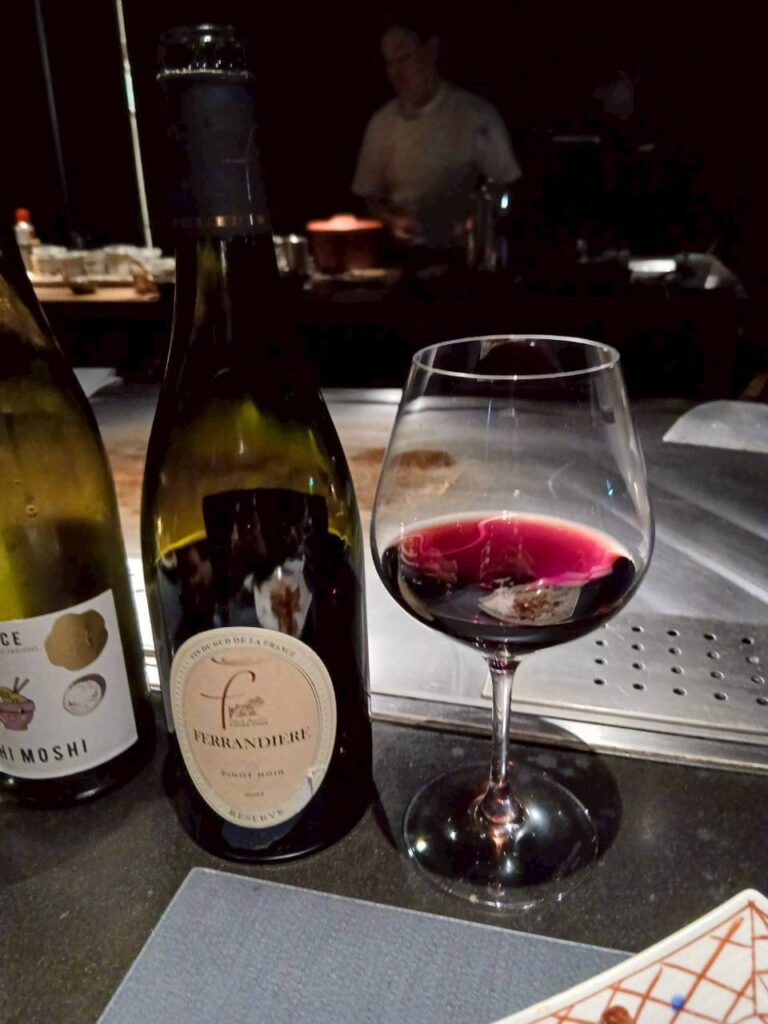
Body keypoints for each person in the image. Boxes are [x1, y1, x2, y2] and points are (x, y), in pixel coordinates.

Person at [351, 23, 522, 251]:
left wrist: (475, 225)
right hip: (399, 256)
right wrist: (393, 223)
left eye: (404, 59)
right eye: (390, 64)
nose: (396, 74)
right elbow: (368, 200)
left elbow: (508, 187)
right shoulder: (382, 123)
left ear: (430, 51)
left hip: (463, 254)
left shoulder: (475, 115)